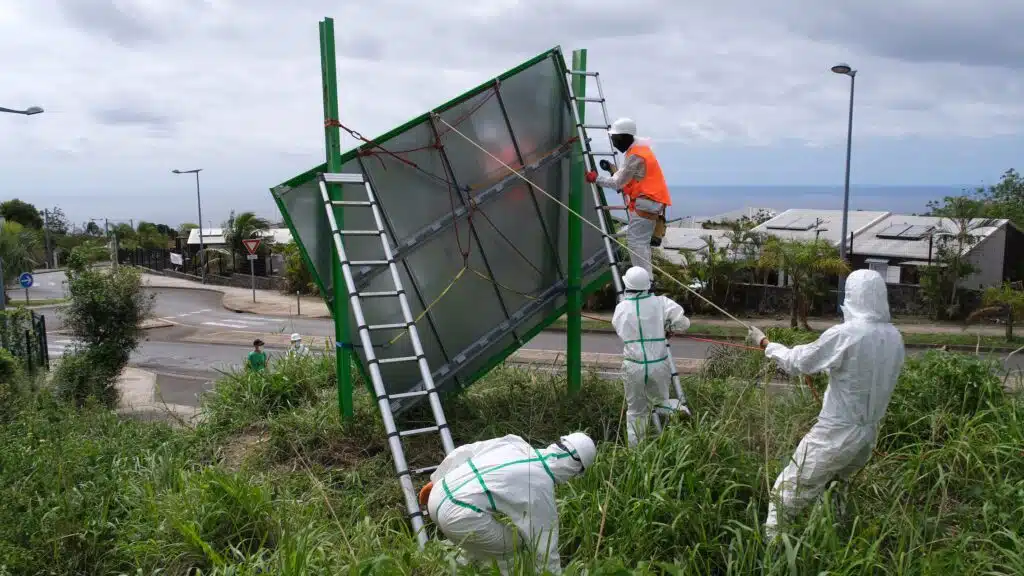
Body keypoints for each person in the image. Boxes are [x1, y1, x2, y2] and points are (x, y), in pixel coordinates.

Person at [745, 269, 905, 540]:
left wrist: (766, 344)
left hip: (835, 434)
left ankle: (773, 554)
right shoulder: (894, 336)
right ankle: (831, 541)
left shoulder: (847, 334)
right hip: (868, 435)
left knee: (786, 491)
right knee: (834, 488)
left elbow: (799, 362)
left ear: (852, 296)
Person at [421, 432, 596, 574]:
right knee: (515, 548)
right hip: (458, 514)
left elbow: (466, 451)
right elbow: (544, 546)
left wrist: (437, 478)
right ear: (575, 468)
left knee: (487, 543)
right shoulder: (541, 485)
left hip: (438, 493)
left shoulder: (515, 444)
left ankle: (451, 566)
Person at [611, 266, 692, 447]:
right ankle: (678, 413)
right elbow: (683, 323)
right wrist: (669, 328)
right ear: (648, 285)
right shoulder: (661, 302)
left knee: (636, 412)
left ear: (627, 285)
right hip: (658, 364)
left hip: (633, 365)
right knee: (660, 401)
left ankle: (636, 453)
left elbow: (619, 328)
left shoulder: (621, 308)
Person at [585, 117, 672, 276]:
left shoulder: (635, 155)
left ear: (625, 137)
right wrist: (614, 171)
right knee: (642, 244)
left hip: (645, 203)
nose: (614, 143)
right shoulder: (641, 151)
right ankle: (646, 279)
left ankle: (643, 281)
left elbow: (618, 182)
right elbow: (631, 178)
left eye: (615, 139)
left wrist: (596, 179)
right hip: (651, 203)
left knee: (636, 244)